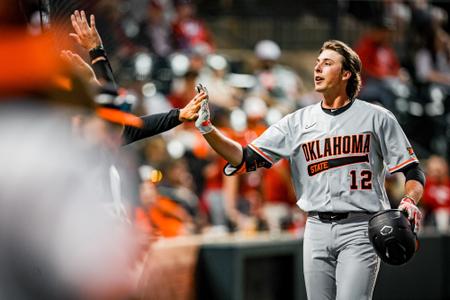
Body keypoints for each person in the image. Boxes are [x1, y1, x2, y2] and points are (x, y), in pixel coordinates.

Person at [193, 41, 425, 299]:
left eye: (327, 63)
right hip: (315, 227)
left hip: (361, 226)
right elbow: (244, 157)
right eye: (317, 62)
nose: (317, 68)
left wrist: (409, 200)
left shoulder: (376, 117)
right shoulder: (297, 121)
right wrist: (207, 129)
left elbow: (413, 171)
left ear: (346, 73)